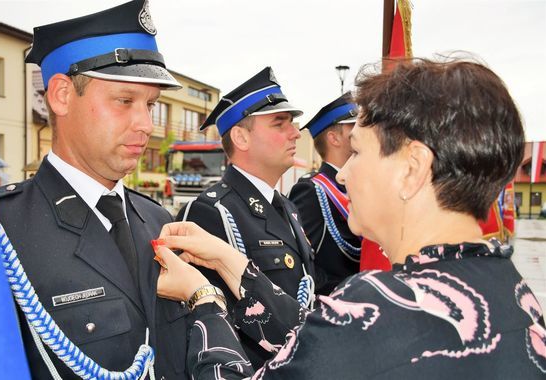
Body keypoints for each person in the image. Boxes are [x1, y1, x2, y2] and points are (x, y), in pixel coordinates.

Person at [153, 57, 545, 379]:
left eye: (357, 152)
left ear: (412, 168)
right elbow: (314, 338)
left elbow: (331, 340)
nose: (342, 173)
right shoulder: (519, 298)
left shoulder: (375, 310)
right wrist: (228, 260)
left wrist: (203, 299)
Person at [0, 1, 191, 378]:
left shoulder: (157, 219)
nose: (146, 124)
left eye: (151, 104)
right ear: (62, 95)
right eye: (125, 101)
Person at [176, 66, 315, 368]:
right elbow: (213, 321)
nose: (295, 132)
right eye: (280, 124)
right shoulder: (212, 212)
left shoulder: (287, 208)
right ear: (240, 137)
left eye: (292, 123)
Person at [288, 93, 362, 294]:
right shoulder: (311, 191)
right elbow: (300, 262)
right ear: (334, 138)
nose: (360, 130)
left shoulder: (360, 185)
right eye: (352, 126)